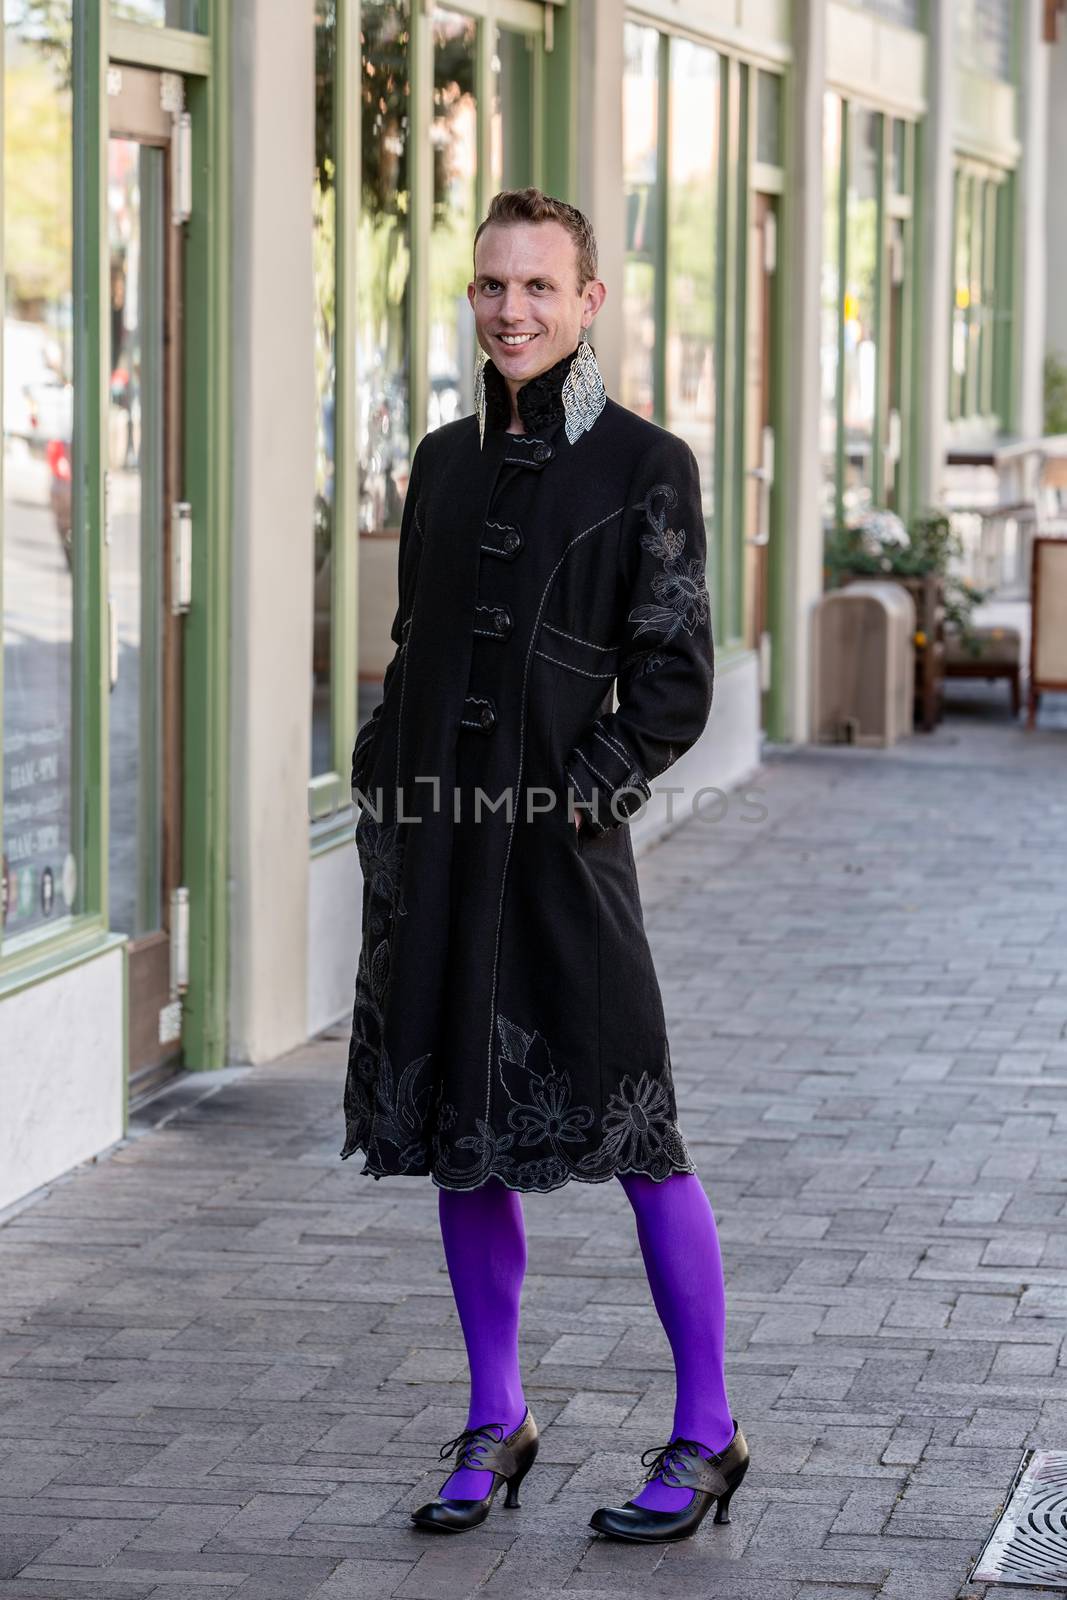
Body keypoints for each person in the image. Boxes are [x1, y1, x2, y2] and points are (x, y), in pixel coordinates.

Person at [343, 188, 749, 1544]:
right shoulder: (443, 460)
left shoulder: (648, 465)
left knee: (642, 1133)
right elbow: (416, 641)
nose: (510, 309)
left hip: (566, 864)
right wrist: (383, 766)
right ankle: (496, 1418)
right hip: (445, 854)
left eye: (538, 286)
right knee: (467, 1138)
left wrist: (579, 799)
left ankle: (707, 1431)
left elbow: (677, 678)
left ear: (591, 303)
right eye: (490, 286)